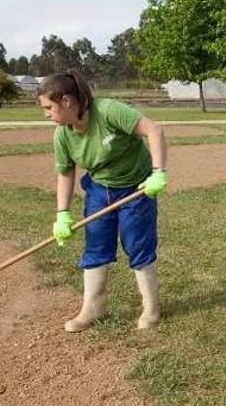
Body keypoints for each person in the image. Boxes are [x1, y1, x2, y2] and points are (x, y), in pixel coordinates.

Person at [37, 70, 169, 332]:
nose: (46, 114)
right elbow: (65, 173)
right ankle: (94, 307)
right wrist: (62, 214)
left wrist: (158, 172)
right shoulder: (62, 135)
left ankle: (151, 308)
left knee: (137, 244)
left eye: (48, 107)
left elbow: (154, 131)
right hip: (100, 190)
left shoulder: (108, 111)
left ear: (66, 101)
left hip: (137, 187)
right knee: (96, 244)